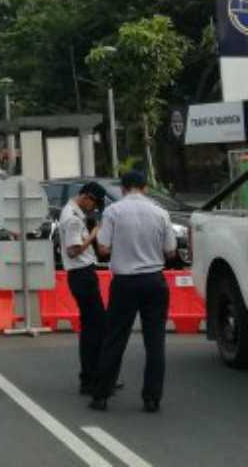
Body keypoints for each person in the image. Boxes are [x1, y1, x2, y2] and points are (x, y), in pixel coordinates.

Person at [89, 171, 177, 414]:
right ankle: (152, 398)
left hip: (125, 282)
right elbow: (171, 252)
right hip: (154, 281)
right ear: (145, 188)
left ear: (124, 188)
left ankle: (101, 395)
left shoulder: (113, 211)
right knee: (155, 342)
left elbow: (104, 248)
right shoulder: (160, 212)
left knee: (115, 338)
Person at [57, 181, 110, 395]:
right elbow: (73, 250)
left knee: (93, 327)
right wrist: (94, 233)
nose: (94, 209)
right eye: (94, 204)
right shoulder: (73, 219)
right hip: (81, 274)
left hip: (81, 275)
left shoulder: (72, 212)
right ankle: (91, 377)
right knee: (94, 327)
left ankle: (93, 375)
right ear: (86, 197)